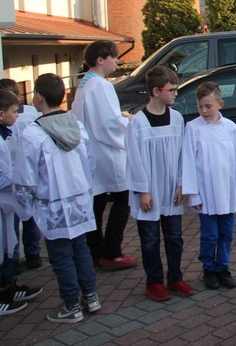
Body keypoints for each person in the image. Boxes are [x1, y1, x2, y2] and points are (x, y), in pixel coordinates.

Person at [14, 74, 101, 323]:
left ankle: (72, 305)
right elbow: (90, 163)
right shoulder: (76, 124)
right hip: (80, 201)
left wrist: (25, 207)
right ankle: (91, 297)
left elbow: (25, 178)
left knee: (61, 255)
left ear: (38, 97)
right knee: (80, 249)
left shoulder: (33, 134)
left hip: (53, 204)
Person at [127, 67, 194, 302]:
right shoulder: (137, 123)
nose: (176, 93)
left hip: (171, 189)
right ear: (156, 91)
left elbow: (181, 154)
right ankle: (153, 282)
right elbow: (134, 159)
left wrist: (180, 183)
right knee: (150, 239)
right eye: (172, 89)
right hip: (149, 190)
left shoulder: (176, 118)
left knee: (174, 236)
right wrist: (143, 191)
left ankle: (175, 277)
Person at [71, 41, 138, 269]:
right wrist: (128, 123)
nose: (117, 61)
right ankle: (112, 252)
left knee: (97, 203)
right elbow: (109, 124)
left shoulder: (85, 85)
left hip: (93, 153)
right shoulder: (100, 86)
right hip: (108, 151)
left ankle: (95, 251)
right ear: (101, 59)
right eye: (114, 57)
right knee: (122, 199)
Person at [182, 82, 236, 291]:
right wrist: (193, 194)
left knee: (226, 233)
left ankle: (223, 267)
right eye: (200, 106)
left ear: (220, 104)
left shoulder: (230, 128)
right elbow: (188, 161)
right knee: (209, 235)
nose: (204, 111)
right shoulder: (193, 128)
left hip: (227, 192)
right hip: (205, 193)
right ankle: (209, 268)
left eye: (208, 106)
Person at [0, 90, 43, 316]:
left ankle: (8, 286)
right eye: (14, 112)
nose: (17, 116)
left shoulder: (3, 136)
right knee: (2, 247)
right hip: (3, 201)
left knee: (9, 245)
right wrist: (20, 179)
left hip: (7, 203)